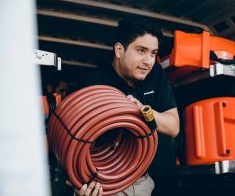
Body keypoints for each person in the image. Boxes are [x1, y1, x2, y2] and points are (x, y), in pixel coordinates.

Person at [72, 17, 180, 196]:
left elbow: (173, 126)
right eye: (141, 51)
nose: (148, 61)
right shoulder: (94, 84)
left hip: (159, 177)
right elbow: (78, 144)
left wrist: (142, 111)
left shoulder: (156, 74)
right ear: (119, 50)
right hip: (111, 180)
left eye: (153, 53)